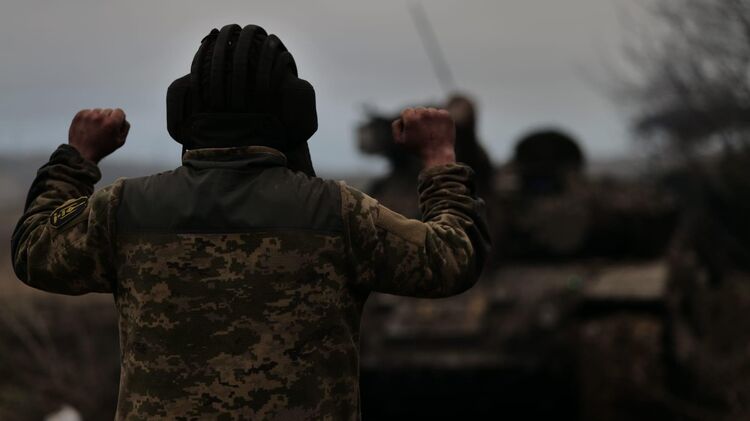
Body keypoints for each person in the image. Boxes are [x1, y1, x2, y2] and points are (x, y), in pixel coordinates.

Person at [10, 24, 490, 420]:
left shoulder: (124, 209)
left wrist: (77, 158)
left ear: (183, 110)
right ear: (297, 114)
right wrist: (439, 157)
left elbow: (34, 250)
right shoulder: (338, 214)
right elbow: (452, 257)